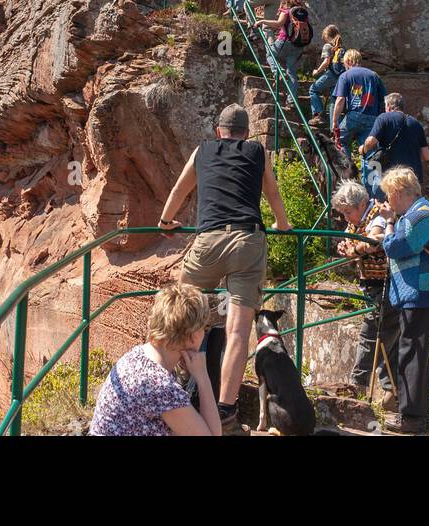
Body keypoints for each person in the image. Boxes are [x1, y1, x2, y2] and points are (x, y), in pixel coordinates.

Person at [158, 103, 291, 432]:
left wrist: (165, 220)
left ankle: (163, 384)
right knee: (236, 331)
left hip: (209, 241)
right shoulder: (257, 152)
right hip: (248, 241)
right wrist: (283, 224)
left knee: (176, 307)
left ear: (219, 131)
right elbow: (272, 192)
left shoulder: (202, 150)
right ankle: (226, 411)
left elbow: (180, 188)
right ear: (246, 133)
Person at [88, 283, 221, 436]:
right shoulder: (161, 386)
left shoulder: (137, 356)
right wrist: (203, 376)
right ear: (193, 336)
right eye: (204, 329)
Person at [377, 165, 429, 436]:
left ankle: (410, 419)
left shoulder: (418, 216)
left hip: (421, 294)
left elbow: (396, 247)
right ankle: (421, 417)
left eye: (389, 194)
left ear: (398, 192)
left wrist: (389, 222)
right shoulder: (420, 213)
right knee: (417, 356)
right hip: (423, 294)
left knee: (411, 356)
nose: (388, 200)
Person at [332, 180, 400, 408]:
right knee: (385, 339)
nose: (346, 218)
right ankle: (392, 392)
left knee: (371, 336)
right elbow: (349, 240)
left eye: (348, 212)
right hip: (372, 285)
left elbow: (373, 240)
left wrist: (352, 249)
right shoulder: (357, 220)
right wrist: (345, 247)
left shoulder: (377, 215)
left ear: (362, 204)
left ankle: (357, 386)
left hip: (386, 285)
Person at [330, 50, 387, 187]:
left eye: (344, 64)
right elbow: (384, 101)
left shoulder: (345, 76)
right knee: (371, 153)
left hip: (353, 116)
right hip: (372, 118)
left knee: (341, 141)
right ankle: (373, 190)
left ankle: (348, 176)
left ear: (348, 62)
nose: (344, 66)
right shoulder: (374, 76)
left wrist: (334, 122)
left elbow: (340, 100)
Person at [360, 92, 429, 192]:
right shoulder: (416, 123)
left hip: (390, 177)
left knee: (383, 205)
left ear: (388, 106)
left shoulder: (384, 118)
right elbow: (426, 156)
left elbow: (371, 141)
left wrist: (363, 149)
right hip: (412, 179)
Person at [257, 0, 313, 101]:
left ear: (286, 1)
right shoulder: (304, 14)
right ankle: (292, 100)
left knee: (270, 53)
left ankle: (277, 72)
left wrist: (262, 21)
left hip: (285, 41)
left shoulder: (286, 11)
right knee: (291, 72)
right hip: (298, 45)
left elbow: (278, 24)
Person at [309, 26, 345, 126]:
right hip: (340, 77)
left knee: (313, 89)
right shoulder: (341, 47)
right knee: (334, 100)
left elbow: (326, 61)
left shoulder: (328, 46)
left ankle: (319, 115)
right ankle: (333, 129)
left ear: (327, 36)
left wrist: (317, 71)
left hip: (331, 75)